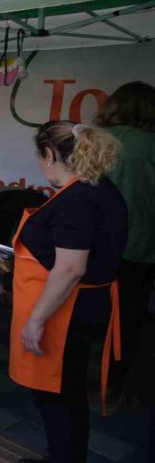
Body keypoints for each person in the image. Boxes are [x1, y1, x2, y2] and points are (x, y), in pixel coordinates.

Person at [9, 121, 127, 463]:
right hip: (88, 303)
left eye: (39, 157)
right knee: (66, 390)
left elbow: (71, 268)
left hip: (68, 310)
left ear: (49, 155)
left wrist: (36, 320)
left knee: (56, 394)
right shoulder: (101, 188)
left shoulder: (76, 201)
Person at [94, 81, 155, 404]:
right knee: (129, 318)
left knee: (91, 310)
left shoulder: (97, 140)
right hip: (141, 246)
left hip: (94, 245)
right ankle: (115, 384)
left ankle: (90, 375)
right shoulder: (150, 144)